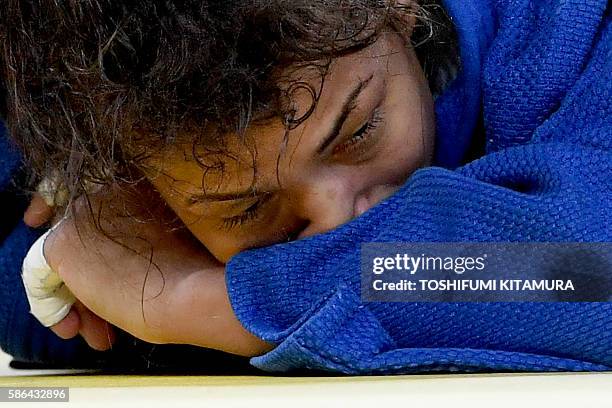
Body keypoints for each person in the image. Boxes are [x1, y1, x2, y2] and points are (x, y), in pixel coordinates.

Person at [1, 0, 611, 374]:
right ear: (145, 192)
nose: (338, 219)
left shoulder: (573, 27)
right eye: (247, 207)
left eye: (358, 130)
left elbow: (590, 271)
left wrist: (210, 302)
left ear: (399, 8)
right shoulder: (114, 162)